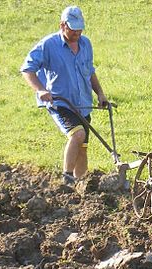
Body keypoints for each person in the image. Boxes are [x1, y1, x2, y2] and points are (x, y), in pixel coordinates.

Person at [20, 6, 108, 185]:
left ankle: (81, 185)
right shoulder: (48, 45)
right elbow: (27, 69)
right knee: (77, 135)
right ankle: (67, 179)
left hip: (83, 103)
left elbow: (89, 71)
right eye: (73, 28)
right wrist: (41, 90)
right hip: (61, 103)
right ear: (62, 25)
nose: (77, 32)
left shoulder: (86, 44)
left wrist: (100, 93)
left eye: (79, 28)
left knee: (82, 147)